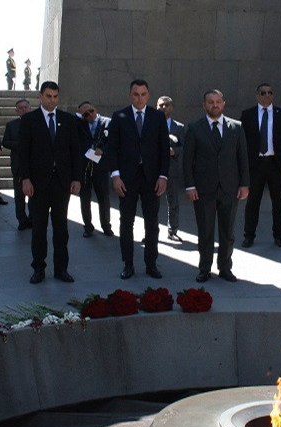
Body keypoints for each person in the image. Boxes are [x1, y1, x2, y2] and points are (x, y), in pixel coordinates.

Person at [18, 81, 83, 284]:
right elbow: (23, 153)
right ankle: (38, 268)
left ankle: (61, 269)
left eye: (55, 96)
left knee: (61, 228)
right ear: (40, 96)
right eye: (48, 96)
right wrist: (25, 178)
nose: (52, 100)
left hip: (61, 183)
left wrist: (76, 178)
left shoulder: (68, 120)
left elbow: (76, 151)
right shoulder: (29, 120)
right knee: (39, 228)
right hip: (37, 183)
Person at [104, 79, 170, 280]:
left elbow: (163, 150)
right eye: (136, 94)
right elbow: (111, 149)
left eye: (143, 94)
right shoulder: (119, 116)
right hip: (127, 179)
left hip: (152, 179)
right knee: (126, 222)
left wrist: (163, 176)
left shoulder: (158, 117)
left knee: (152, 222)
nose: (139, 98)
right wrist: (115, 177)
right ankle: (128, 264)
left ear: (148, 95)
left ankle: (151, 263)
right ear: (130, 95)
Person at [183, 89, 250, 283]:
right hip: (203, 190)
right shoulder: (195, 128)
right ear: (204, 105)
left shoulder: (236, 128)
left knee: (227, 232)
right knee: (205, 231)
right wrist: (190, 186)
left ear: (223, 103)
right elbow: (188, 161)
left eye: (218, 101)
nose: (214, 105)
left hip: (230, 188)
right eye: (210, 102)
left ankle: (225, 267)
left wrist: (244, 184)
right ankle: (204, 268)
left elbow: (243, 158)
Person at [240, 83, 281, 248]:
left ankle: (279, 236)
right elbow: (242, 143)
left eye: (270, 92)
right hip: (255, 165)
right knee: (252, 202)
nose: (266, 95)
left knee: (278, 202)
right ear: (257, 94)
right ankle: (249, 236)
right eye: (263, 93)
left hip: (276, 165)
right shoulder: (248, 115)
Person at [77, 101, 113, 238]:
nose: (90, 115)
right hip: (85, 167)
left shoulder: (107, 123)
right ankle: (88, 227)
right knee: (85, 198)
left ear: (95, 108)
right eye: (85, 114)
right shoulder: (80, 125)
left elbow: (114, 142)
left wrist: (102, 150)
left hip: (101, 167)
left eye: (91, 111)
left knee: (103, 197)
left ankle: (106, 225)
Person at [157, 96, 186, 242]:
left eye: (166, 105)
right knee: (151, 203)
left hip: (172, 169)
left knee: (173, 202)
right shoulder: (150, 124)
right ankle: (150, 232)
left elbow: (185, 147)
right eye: (161, 105)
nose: (163, 107)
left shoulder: (179, 127)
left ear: (171, 107)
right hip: (154, 170)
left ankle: (172, 230)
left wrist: (174, 151)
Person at [1, 98, 33, 230]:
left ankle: (33, 219)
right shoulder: (11, 125)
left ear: (30, 108)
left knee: (35, 196)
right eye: (21, 108)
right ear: (16, 111)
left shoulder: (37, 123)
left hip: (34, 165)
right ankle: (22, 220)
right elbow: (5, 142)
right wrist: (20, 145)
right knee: (19, 196)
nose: (24, 109)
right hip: (18, 165)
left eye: (26, 107)